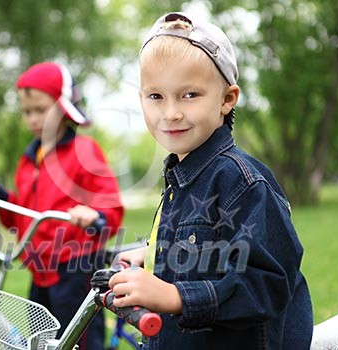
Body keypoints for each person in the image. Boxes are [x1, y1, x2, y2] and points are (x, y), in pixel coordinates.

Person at [108, 12, 313, 349]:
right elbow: (198, 246)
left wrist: (175, 296)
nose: (171, 112)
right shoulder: (180, 177)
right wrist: (150, 256)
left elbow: (267, 284)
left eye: (189, 95)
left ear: (226, 99)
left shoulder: (242, 182)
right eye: (156, 96)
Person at [0, 62, 124, 349]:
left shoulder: (84, 151)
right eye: (27, 112)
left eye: (41, 110)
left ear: (63, 108)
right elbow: (22, 218)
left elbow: (111, 207)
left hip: (76, 269)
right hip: (40, 271)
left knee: (80, 341)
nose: (33, 119)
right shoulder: (29, 160)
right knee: (43, 340)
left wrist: (94, 215)